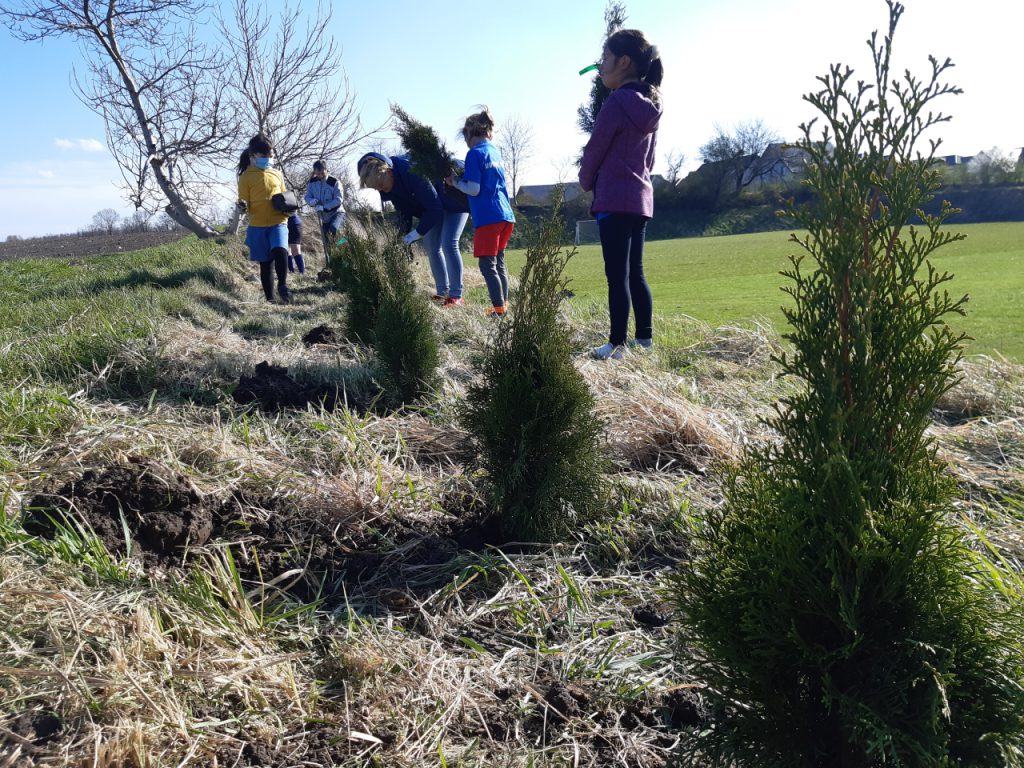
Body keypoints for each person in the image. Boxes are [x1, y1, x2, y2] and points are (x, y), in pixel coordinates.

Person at [579, 29, 663, 359]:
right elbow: (651, 160)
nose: (600, 65)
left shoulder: (616, 102)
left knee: (617, 276)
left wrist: (586, 181)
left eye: (605, 59)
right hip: (641, 199)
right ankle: (644, 341)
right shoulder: (651, 105)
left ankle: (617, 345)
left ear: (623, 62)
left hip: (614, 199)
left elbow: (595, 148)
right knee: (636, 273)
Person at [357, 152, 469, 306]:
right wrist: (402, 240)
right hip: (435, 205)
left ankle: (456, 296)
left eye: (381, 185)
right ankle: (443, 292)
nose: (381, 191)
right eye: (376, 189)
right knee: (430, 245)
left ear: (388, 171)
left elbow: (434, 208)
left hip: (454, 198)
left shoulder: (412, 171)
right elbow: (405, 212)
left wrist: (417, 233)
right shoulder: (391, 187)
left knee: (449, 242)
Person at [446, 108, 515, 316]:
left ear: (469, 133)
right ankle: (504, 306)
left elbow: (474, 188)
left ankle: (499, 311)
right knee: (499, 263)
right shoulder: (494, 151)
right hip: (505, 215)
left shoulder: (474, 154)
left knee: (487, 266)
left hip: (488, 217)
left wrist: (455, 182)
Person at [237, 133, 291, 303]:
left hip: (279, 221)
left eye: (271, 155)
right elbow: (242, 200)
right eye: (264, 156)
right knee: (266, 263)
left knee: (281, 250)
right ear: (253, 156)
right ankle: (270, 299)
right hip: (257, 225)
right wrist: (242, 206)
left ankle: (283, 285)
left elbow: (284, 195)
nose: (268, 159)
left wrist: (289, 206)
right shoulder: (245, 177)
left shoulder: (277, 174)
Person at [303, 160, 345, 246]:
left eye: (322, 173)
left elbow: (338, 199)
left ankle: (343, 245)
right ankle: (332, 256)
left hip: (337, 213)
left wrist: (324, 207)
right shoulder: (312, 182)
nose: (320, 175)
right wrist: (310, 201)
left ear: (326, 169)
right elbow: (307, 196)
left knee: (333, 229)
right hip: (324, 217)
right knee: (327, 242)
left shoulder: (334, 182)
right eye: (317, 173)